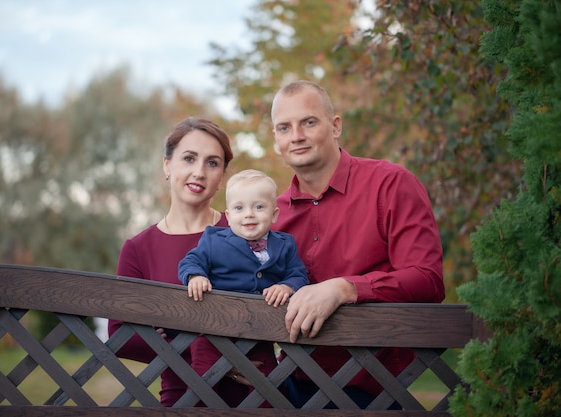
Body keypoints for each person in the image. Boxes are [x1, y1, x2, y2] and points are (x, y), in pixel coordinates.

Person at [269, 80, 445, 409]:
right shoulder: (272, 216)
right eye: (284, 127)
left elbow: (428, 279)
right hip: (287, 387)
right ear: (276, 138)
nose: (296, 136)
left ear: (335, 127)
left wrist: (346, 288)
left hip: (377, 393)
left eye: (308, 122)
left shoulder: (391, 184)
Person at [107, 116, 234, 407]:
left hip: (257, 394)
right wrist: (218, 357)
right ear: (167, 165)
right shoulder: (138, 248)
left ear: (222, 176)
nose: (199, 172)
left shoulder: (244, 233)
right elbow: (120, 334)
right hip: (181, 399)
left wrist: (169, 330)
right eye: (189, 158)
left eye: (212, 163)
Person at [178, 169, 309, 407]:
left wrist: (287, 285)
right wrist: (195, 276)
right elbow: (190, 261)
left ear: (274, 213)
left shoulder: (285, 244)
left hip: (260, 335)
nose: (248, 214)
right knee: (200, 392)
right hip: (214, 334)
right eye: (239, 208)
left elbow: (299, 274)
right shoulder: (213, 240)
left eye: (259, 207)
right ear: (228, 215)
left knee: (270, 392)